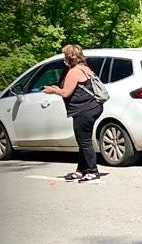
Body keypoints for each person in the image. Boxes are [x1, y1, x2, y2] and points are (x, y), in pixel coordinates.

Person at [43, 44, 104, 183]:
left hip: (84, 110)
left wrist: (53, 90)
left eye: (65, 56)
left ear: (69, 57)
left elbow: (66, 92)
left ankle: (93, 171)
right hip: (93, 107)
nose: (64, 59)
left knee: (84, 141)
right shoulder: (86, 68)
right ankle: (81, 170)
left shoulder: (74, 71)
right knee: (83, 141)